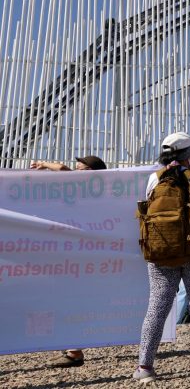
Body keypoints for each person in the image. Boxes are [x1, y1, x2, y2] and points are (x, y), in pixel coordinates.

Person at [133, 132, 190, 383]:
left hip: (161, 251)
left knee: (157, 307)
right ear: (187, 154)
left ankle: (145, 366)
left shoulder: (154, 178)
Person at [32, 156, 107, 368]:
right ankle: (72, 348)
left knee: (74, 299)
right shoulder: (98, 190)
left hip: (83, 257)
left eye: (81, 169)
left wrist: (44, 164)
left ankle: (74, 351)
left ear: (93, 172)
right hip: (79, 255)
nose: (76, 171)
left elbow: (64, 169)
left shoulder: (91, 187)